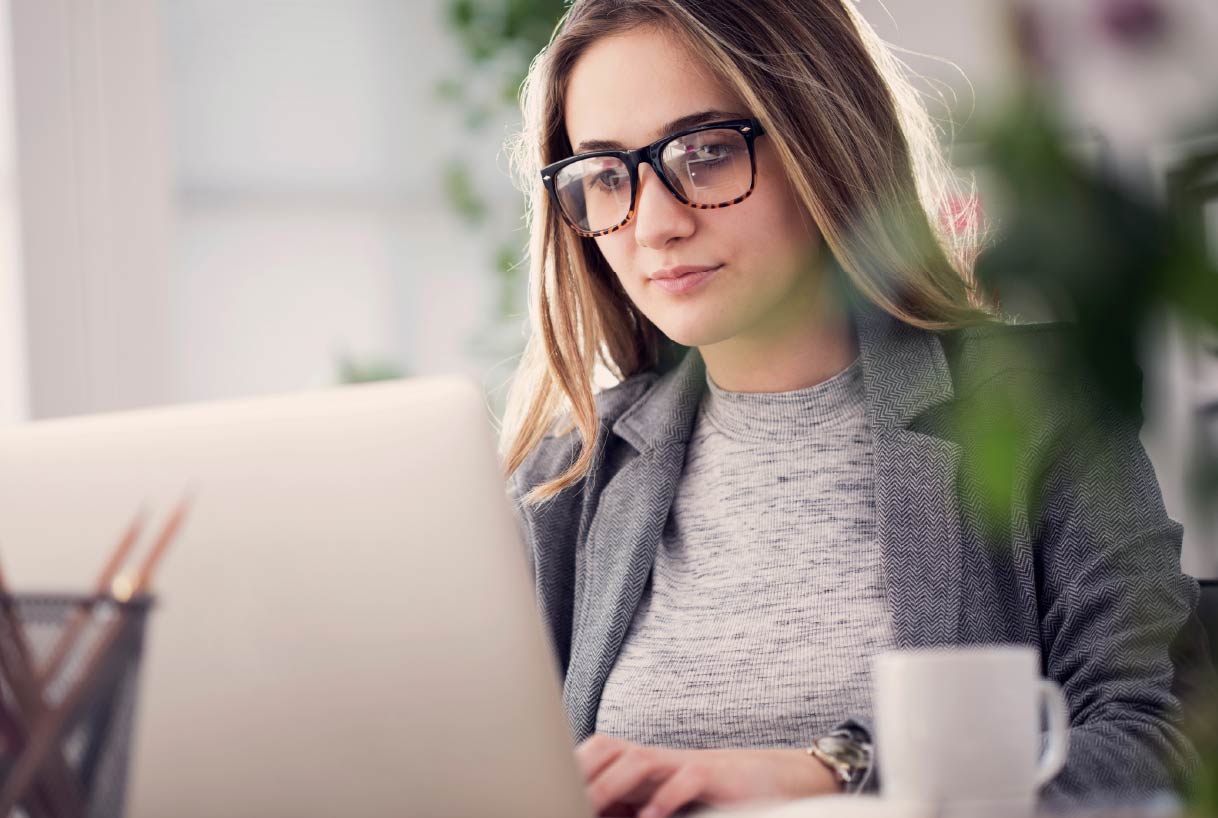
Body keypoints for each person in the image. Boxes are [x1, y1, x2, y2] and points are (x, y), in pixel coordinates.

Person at [498, 1, 1201, 816]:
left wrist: (836, 769)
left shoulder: (1034, 407)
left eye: (707, 154)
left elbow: (1158, 738)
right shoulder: (571, 474)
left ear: (823, 143)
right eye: (607, 176)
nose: (655, 223)